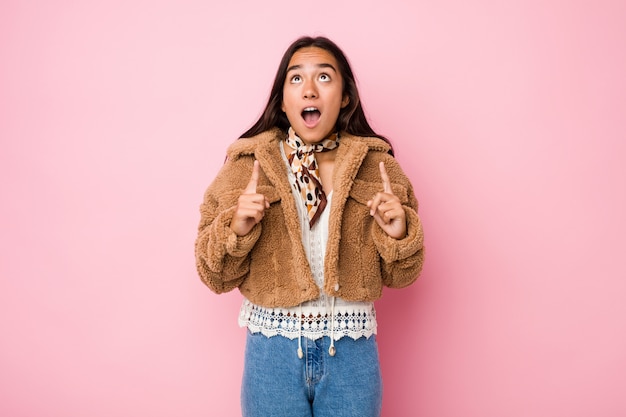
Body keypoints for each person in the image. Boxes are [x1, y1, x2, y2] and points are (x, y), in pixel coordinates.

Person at [195, 36, 425, 417]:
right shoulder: (245, 165)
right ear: (283, 100)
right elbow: (213, 274)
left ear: (346, 96)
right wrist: (235, 229)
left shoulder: (376, 165)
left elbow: (403, 275)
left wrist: (398, 234)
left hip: (351, 351)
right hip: (273, 351)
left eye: (324, 77)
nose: (310, 89)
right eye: (296, 79)